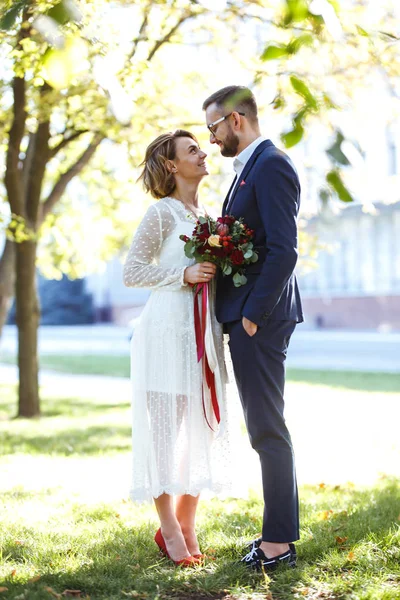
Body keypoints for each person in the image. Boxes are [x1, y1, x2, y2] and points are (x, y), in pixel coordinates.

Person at [202, 86, 304, 571]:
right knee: (264, 427)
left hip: (259, 320)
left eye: (213, 127)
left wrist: (252, 314)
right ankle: (277, 535)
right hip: (247, 316)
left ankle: (278, 543)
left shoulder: (272, 164)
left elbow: (286, 249)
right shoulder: (249, 168)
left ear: (236, 120)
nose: (211, 137)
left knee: (267, 428)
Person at [123, 130, 231, 567]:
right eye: (192, 151)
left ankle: (188, 521)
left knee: (201, 429)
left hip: (203, 334)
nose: (203, 153)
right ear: (172, 166)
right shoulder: (162, 214)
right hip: (166, 332)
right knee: (166, 434)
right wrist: (181, 276)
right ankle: (167, 526)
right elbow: (132, 271)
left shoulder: (210, 216)